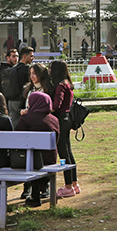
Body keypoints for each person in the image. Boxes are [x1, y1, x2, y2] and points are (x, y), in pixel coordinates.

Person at [15, 92, 60, 207]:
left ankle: (34, 195)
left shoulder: (26, 118)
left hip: (31, 161)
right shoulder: (54, 119)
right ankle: (44, 188)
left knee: (31, 155)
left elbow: (17, 138)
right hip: (50, 159)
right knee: (37, 155)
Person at [50, 61, 80, 198]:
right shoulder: (67, 83)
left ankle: (68, 187)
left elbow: (56, 105)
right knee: (68, 152)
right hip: (67, 119)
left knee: (63, 153)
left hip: (61, 120)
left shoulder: (61, 85)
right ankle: (74, 183)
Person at [9, 47, 34, 127]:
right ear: (25, 56)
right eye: (31, 56)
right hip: (20, 101)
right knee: (23, 125)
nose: (33, 58)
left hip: (11, 100)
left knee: (14, 125)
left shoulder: (13, 69)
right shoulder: (27, 70)